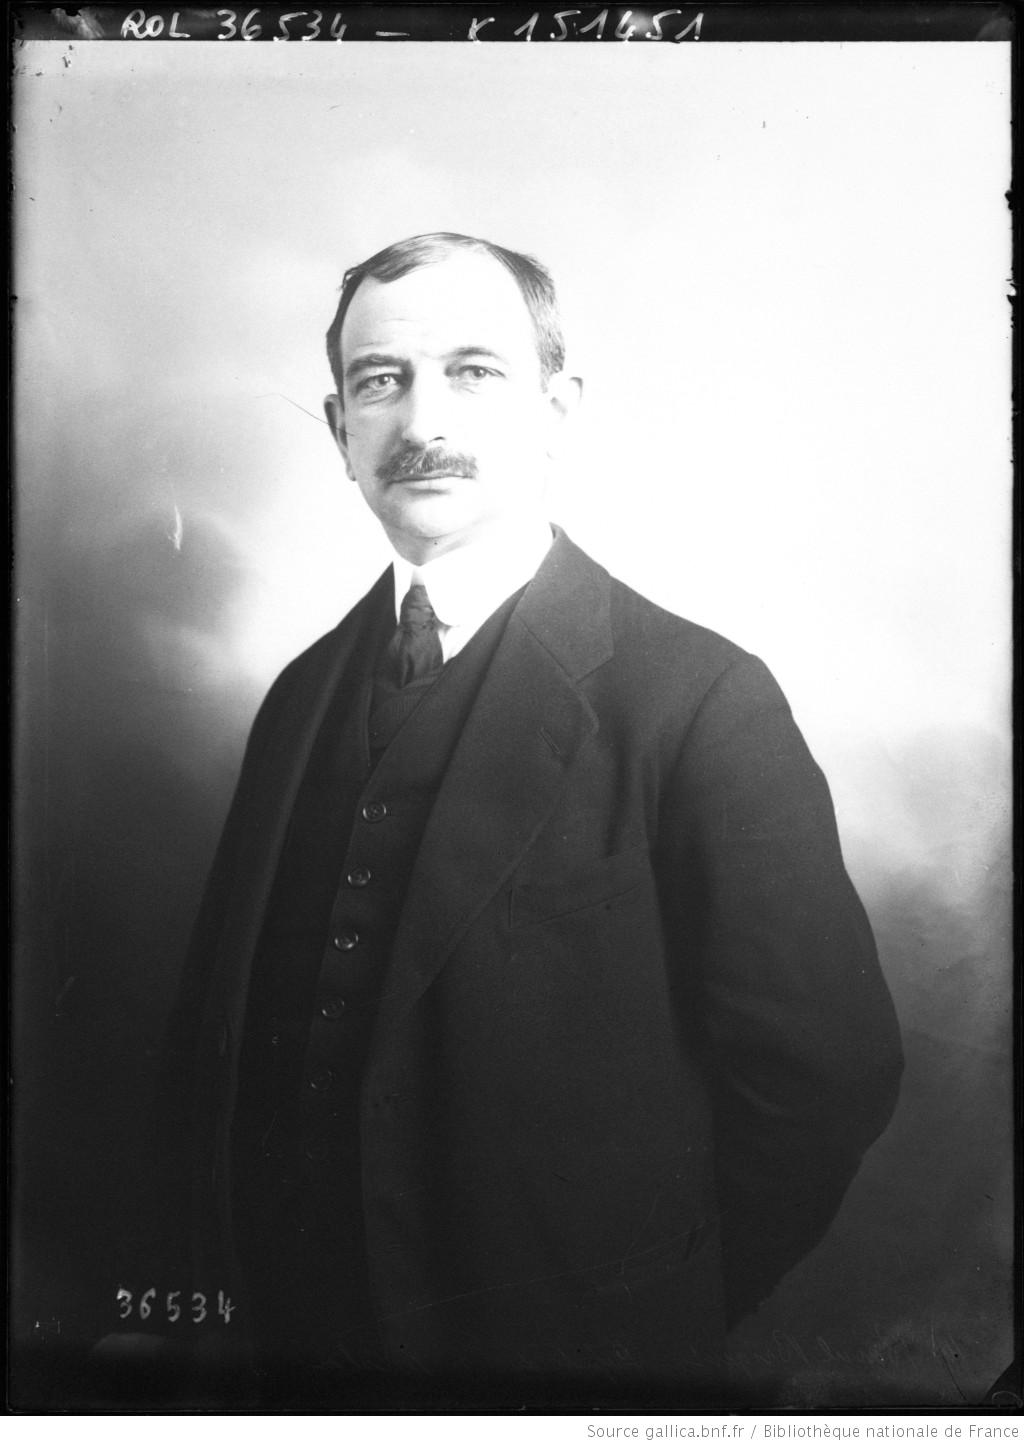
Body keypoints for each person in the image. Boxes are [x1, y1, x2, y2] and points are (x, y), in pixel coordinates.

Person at [158, 232, 903, 1406]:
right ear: (338, 425)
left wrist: (639, 1312)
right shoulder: (301, 695)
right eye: (380, 380)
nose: (420, 419)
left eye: (474, 371)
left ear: (556, 409)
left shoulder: (699, 699)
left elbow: (823, 1081)